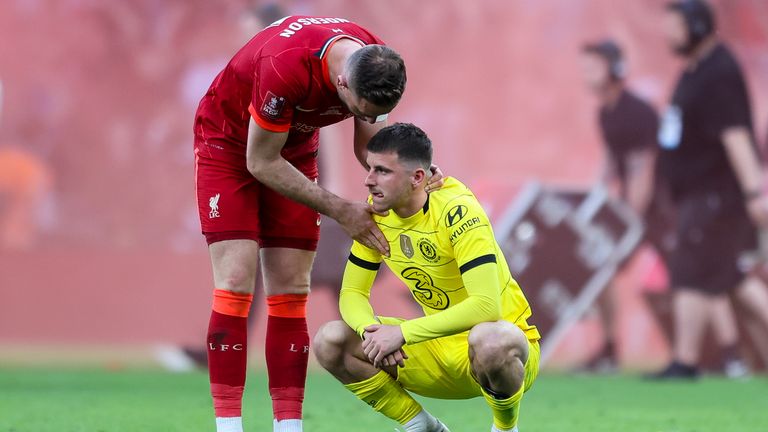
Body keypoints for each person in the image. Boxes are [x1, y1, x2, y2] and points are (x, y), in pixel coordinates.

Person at [194, 15, 442, 432]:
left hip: (291, 148)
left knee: (292, 288)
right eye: (360, 110)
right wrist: (341, 209)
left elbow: (369, 147)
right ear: (342, 84)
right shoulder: (285, 65)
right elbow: (260, 161)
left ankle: (289, 428)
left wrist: (413, 177)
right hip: (230, 145)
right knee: (236, 280)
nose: (367, 116)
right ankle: (229, 427)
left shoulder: (373, 59)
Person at [314, 123, 540, 432]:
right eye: (369, 169)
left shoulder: (457, 212)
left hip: (499, 356)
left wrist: (403, 333)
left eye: (382, 171)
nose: (368, 180)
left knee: (491, 339)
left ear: (418, 177)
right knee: (331, 340)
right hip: (432, 352)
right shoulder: (377, 214)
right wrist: (371, 333)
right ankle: (421, 426)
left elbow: (486, 308)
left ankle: (504, 426)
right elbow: (352, 292)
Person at [652, 0, 768, 378]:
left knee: (690, 271)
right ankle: (684, 362)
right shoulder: (696, 70)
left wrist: (755, 193)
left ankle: (685, 362)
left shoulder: (718, 71)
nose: (669, 34)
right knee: (730, 279)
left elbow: (735, 134)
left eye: (676, 26)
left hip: (715, 195)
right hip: (697, 194)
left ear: (698, 27)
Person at [579, 40, 673, 371]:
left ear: (615, 69)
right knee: (599, 269)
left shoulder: (636, 112)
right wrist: (593, 202)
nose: (585, 73)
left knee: (694, 280)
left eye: (593, 66)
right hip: (632, 209)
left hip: (662, 210)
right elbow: (610, 162)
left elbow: (641, 170)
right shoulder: (606, 112)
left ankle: (726, 354)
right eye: (584, 66)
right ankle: (608, 350)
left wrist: (630, 221)